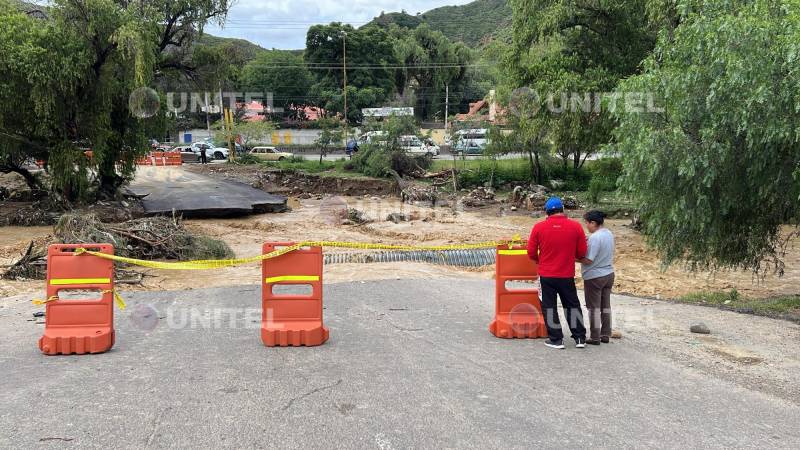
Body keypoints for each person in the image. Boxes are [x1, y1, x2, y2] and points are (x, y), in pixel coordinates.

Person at [527, 197, 588, 349]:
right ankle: (580, 338)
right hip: (566, 274)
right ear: (563, 210)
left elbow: (531, 252)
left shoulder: (539, 227)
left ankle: (556, 339)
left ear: (547, 212)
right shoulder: (576, 227)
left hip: (546, 275)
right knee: (572, 305)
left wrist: (539, 260)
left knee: (549, 306)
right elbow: (582, 252)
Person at [579, 210, 615, 345]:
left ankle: (594, 337)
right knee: (605, 306)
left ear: (593, 223)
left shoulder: (595, 238)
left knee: (593, 307)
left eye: (587, 223)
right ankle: (605, 334)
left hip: (595, 277)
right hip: (609, 274)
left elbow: (588, 260)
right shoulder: (609, 233)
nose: (586, 226)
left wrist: (572, 258)